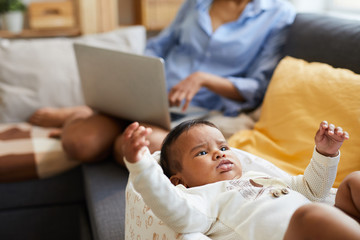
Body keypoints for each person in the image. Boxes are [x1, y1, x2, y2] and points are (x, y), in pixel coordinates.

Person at [28, 0, 296, 165]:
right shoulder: (196, 2)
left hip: (195, 111)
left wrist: (204, 80)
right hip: (150, 94)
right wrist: (141, 73)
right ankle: (90, 119)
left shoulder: (279, 13)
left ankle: (93, 119)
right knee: (79, 144)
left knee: (148, 150)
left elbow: (258, 86)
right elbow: (158, 46)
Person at [122, 119, 360, 240]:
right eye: (202, 152)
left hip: (327, 228)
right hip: (299, 232)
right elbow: (171, 208)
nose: (219, 153)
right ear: (178, 181)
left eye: (223, 146)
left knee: (353, 183)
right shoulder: (201, 199)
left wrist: (325, 154)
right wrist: (141, 167)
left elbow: (312, 191)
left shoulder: (257, 176)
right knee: (311, 215)